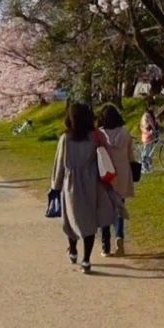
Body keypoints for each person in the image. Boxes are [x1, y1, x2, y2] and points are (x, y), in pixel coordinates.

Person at [50, 103, 116, 274]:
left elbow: (59, 164)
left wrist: (55, 186)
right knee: (89, 220)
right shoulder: (94, 136)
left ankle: (73, 250)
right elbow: (104, 156)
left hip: (71, 183)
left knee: (71, 219)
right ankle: (86, 259)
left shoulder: (66, 138)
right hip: (91, 182)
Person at [98, 104, 136, 257]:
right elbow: (131, 155)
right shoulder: (125, 132)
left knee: (104, 210)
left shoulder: (99, 134)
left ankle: (105, 246)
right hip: (122, 174)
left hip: (106, 174)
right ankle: (119, 237)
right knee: (119, 207)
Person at [139, 101, 159, 172]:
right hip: (147, 135)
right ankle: (143, 166)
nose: (153, 107)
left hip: (151, 135)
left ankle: (147, 165)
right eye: (152, 106)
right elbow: (145, 125)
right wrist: (150, 131)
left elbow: (154, 123)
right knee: (146, 151)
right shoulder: (146, 115)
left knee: (149, 151)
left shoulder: (151, 114)